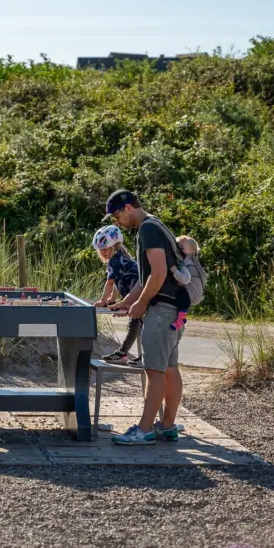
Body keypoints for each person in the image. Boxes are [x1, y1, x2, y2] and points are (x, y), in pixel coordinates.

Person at [104, 189, 185, 445]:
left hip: (161, 311)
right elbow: (146, 277)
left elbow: (158, 274)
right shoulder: (155, 225)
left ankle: (144, 429)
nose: (116, 222)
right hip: (174, 309)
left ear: (128, 207)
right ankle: (167, 426)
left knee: (154, 371)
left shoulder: (147, 230)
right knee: (170, 369)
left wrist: (142, 303)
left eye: (116, 215)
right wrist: (128, 302)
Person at [91, 225, 143, 366]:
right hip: (138, 296)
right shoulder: (122, 258)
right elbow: (119, 282)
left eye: (105, 249)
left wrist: (102, 300)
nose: (103, 252)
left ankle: (127, 354)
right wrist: (113, 299)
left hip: (139, 297)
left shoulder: (115, 261)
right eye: (100, 249)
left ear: (115, 246)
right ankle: (128, 353)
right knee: (137, 324)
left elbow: (110, 282)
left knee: (139, 324)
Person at [169, 235, 206, 331]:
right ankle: (181, 316)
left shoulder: (187, 262)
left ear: (192, 250)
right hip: (196, 293)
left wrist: (175, 271)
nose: (179, 250)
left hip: (192, 294)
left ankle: (182, 318)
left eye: (182, 248)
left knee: (180, 295)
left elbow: (186, 279)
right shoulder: (194, 261)